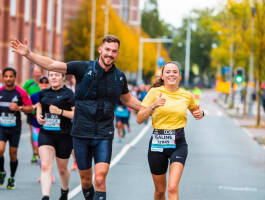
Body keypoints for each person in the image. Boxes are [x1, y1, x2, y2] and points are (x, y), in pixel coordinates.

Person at [10, 35, 141, 200]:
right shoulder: (83, 68)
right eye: (107, 49)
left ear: (117, 54)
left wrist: (149, 108)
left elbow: (128, 99)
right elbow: (51, 64)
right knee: (86, 181)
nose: (110, 54)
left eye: (114, 51)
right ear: (100, 49)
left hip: (103, 133)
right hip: (80, 133)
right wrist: (29, 54)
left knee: (100, 178)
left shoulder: (119, 77)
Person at [137, 61, 204, 200]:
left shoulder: (186, 95)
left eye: (175, 72)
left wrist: (201, 113)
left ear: (179, 75)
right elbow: (139, 118)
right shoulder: (154, 92)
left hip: (178, 144)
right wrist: (153, 105)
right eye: (168, 72)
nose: (171, 74)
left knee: (172, 188)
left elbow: (196, 111)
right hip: (157, 145)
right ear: (162, 76)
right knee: (160, 191)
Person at [36, 71, 75, 200]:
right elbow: (40, 105)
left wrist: (60, 112)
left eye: (57, 75)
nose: (53, 77)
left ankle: (64, 190)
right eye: (51, 75)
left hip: (64, 135)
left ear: (63, 77)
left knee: (62, 169)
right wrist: (38, 115)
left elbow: (76, 115)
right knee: (46, 166)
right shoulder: (44, 93)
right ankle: (45, 196)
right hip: (46, 133)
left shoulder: (69, 94)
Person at [0, 67, 33, 189]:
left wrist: (19, 108)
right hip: (1, 128)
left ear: (15, 77)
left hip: (14, 129)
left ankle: (12, 178)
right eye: (6, 76)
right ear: (3, 78)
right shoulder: (0, 92)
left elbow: (30, 108)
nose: (8, 79)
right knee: (0, 149)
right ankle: (2, 171)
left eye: (11, 76)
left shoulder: (20, 93)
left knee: (13, 154)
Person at [23, 66, 42, 164]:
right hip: (32, 111)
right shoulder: (28, 83)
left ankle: (40, 151)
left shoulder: (43, 82)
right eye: (36, 72)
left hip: (42, 112)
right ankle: (35, 151)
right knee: (33, 132)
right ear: (33, 73)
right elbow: (23, 94)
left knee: (41, 133)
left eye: (39, 72)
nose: (37, 74)